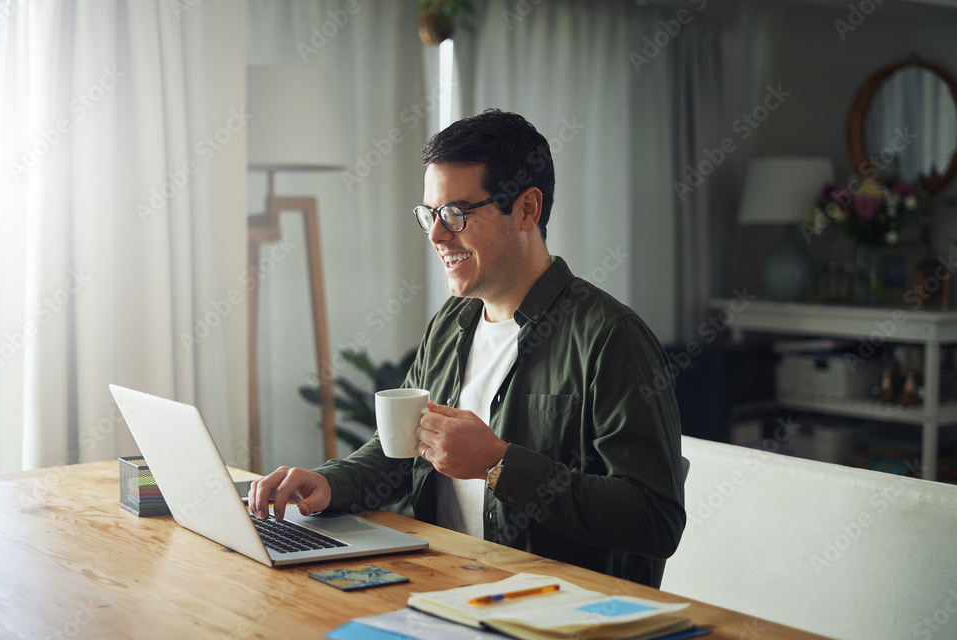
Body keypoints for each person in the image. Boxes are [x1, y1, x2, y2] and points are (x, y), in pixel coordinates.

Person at [250, 109, 685, 588]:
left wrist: (499, 464)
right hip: (443, 586)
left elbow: (655, 519)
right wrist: (330, 483)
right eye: (429, 215)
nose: (437, 235)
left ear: (526, 209)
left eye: (456, 214)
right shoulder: (451, 324)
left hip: (559, 613)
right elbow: (404, 452)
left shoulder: (611, 337)